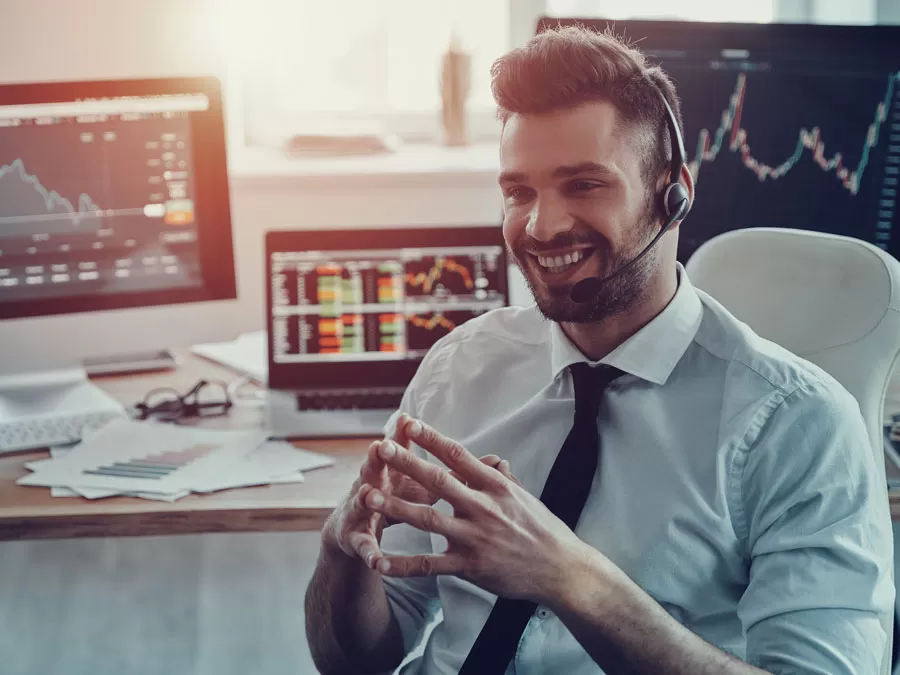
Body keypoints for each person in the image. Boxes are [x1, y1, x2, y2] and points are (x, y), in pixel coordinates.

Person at [305, 25, 894, 675]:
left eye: (584, 185)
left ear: (674, 193)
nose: (541, 225)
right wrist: (341, 554)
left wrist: (571, 577)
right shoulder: (459, 367)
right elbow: (357, 661)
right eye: (519, 192)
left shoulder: (797, 424)